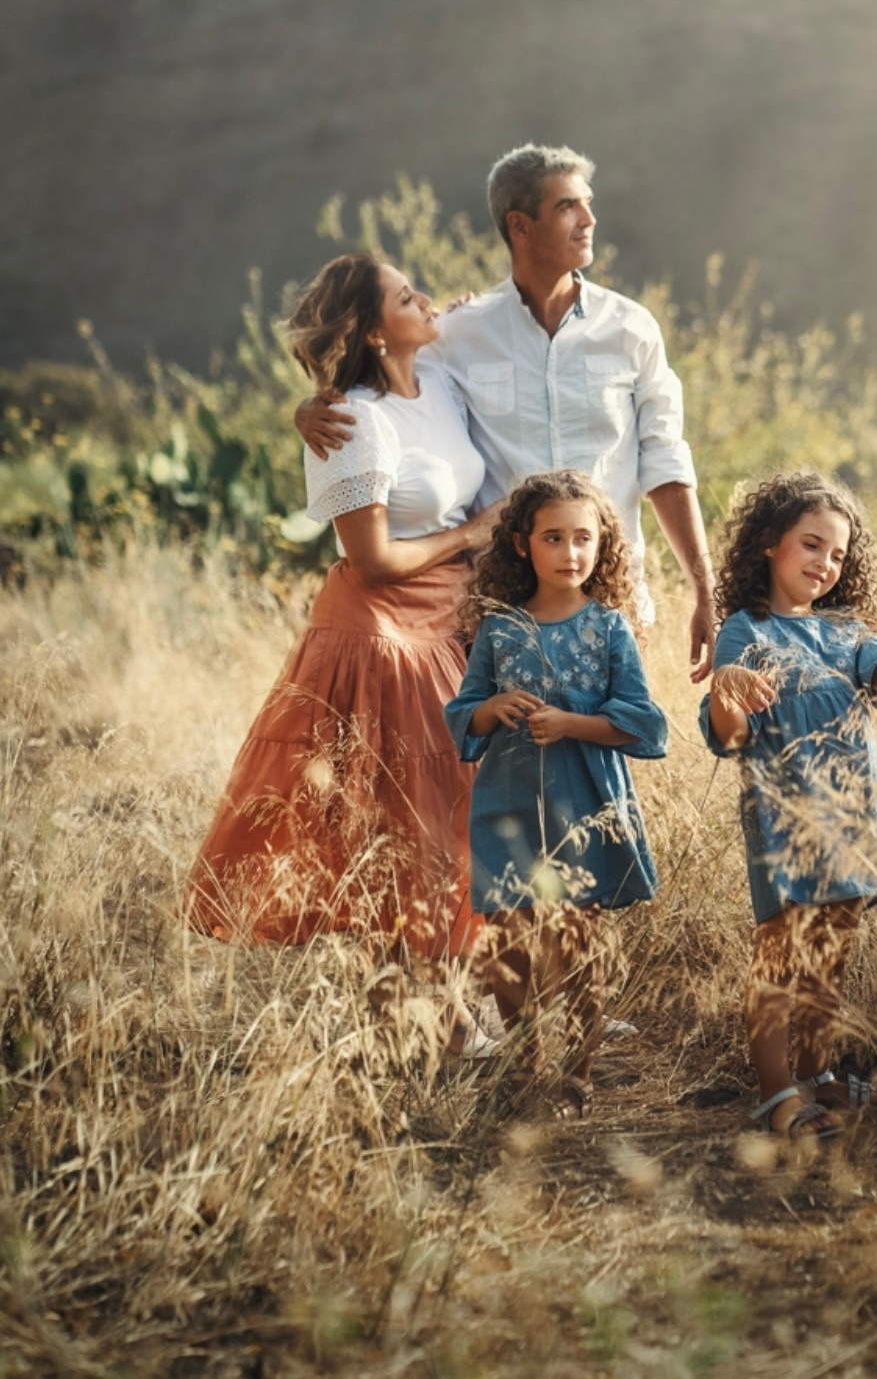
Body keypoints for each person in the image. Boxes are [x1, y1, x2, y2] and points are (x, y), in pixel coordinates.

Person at [185, 254, 499, 1016]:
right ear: (370, 329)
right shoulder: (351, 420)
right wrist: (475, 534)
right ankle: (422, 1017)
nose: (422, 296)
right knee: (406, 824)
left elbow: (498, 309)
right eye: (403, 294)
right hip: (382, 631)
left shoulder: (443, 380)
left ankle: (454, 1003)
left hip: (446, 622)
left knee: (461, 812)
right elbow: (375, 559)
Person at [297, 144, 716, 680]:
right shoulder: (456, 334)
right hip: (499, 608)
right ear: (520, 225)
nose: (590, 220)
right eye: (568, 206)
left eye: (588, 203)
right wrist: (311, 407)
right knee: (500, 762)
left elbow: (666, 462)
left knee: (604, 754)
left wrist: (704, 590)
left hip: (610, 598)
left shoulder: (632, 329)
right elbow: (373, 370)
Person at [698, 472, 877, 1142]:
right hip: (783, 816)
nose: (825, 564)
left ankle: (818, 1068)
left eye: (838, 555)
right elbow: (733, 736)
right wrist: (725, 690)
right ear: (770, 543)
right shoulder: (745, 631)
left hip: (853, 813)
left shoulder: (847, 631)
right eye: (812, 544)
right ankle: (776, 1092)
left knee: (832, 952)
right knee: (779, 950)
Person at [443, 470, 667, 1118]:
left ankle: (577, 1074)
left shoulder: (608, 629)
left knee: (577, 949)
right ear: (522, 545)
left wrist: (573, 724)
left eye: (583, 539)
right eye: (553, 538)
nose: (570, 553)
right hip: (507, 804)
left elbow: (644, 722)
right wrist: (494, 708)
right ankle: (523, 1065)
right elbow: (463, 715)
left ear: (602, 546)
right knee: (510, 945)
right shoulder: (500, 630)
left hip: (585, 808)